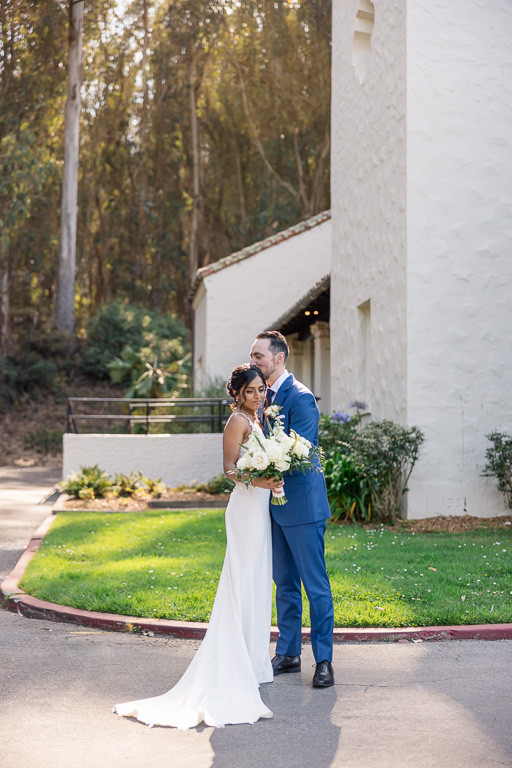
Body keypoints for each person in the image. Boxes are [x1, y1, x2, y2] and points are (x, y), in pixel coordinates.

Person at [113, 363, 283, 729]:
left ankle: (254, 660)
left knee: (256, 579)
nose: (258, 395)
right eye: (250, 390)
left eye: (261, 389)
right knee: (241, 579)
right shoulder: (238, 421)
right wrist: (258, 481)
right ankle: (236, 659)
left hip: (260, 508)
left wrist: (272, 478)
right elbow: (228, 469)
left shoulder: (259, 421)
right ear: (237, 394)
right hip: (245, 509)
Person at [250, 330, 335, 688]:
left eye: (258, 356)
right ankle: (287, 653)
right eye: (253, 356)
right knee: (283, 582)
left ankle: (324, 661)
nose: (253, 362)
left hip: (302, 506)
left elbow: (300, 449)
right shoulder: (260, 398)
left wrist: (262, 465)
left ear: (279, 358)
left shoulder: (299, 398)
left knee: (315, 586)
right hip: (274, 506)